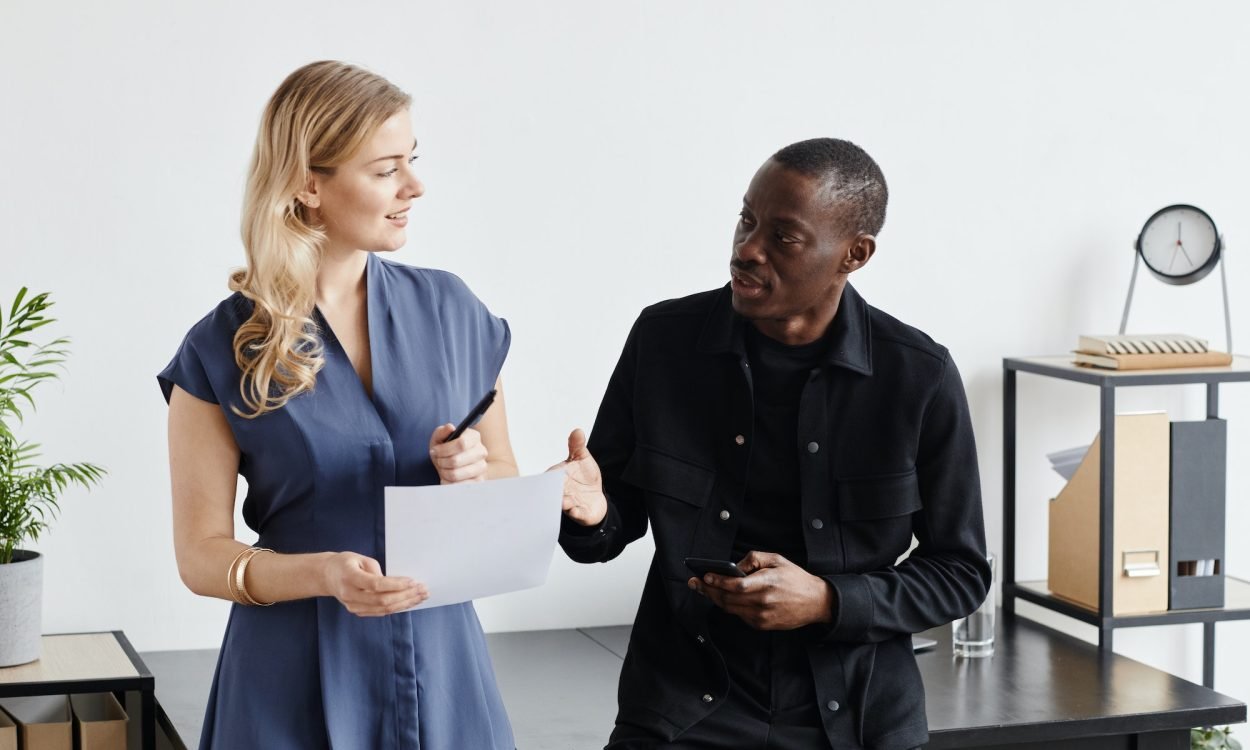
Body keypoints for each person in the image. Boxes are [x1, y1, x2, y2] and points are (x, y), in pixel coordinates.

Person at [555, 138, 992, 750]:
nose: (747, 249)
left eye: (783, 237)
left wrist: (828, 600)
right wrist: (591, 514)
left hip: (857, 719)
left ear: (854, 254)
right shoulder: (663, 341)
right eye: (746, 220)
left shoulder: (918, 376)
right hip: (681, 708)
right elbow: (611, 522)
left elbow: (960, 572)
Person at [159, 61, 517, 749]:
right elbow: (200, 556)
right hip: (289, 670)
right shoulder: (219, 347)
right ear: (307, 184)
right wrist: (322, 573)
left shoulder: (455, 311)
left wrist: (470, 474)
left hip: (443, 661)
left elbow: (503, 474)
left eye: (412, 160)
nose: (414, 186)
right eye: (385, 169)